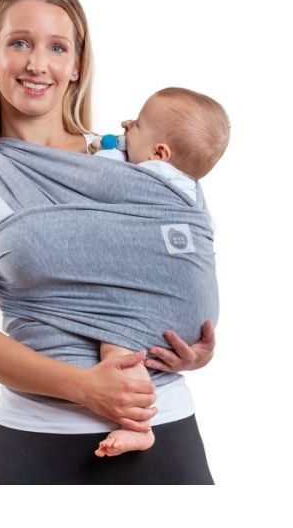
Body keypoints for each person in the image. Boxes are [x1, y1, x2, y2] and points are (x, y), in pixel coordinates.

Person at [0, 0, 216, 484]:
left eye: (57, 47)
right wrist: (85, 387)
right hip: (35, 446)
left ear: (77, 64)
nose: (37, 64)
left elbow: (180, 257)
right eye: (20, 43)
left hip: (166, 434)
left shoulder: (137, 163)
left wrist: (190, 344)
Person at [88, 87, 229, 457]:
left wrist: (104, 147)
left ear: (160, 154)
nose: (126, 126)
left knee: (118, 345)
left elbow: (98, 176)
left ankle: (139, 426)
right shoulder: (192, 191)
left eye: (135, 125)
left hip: (163, 306)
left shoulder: (144, 176)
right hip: (198, 314)